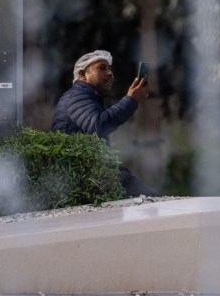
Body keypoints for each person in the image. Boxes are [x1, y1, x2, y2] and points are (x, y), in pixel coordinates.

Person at [51, 49, 158, 197]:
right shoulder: (77, 96)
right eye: (102, 68)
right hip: (84, 176)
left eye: (109, 68)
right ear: (82, 75)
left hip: (92, 173)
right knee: (154, 202)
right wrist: (131, 100)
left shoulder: (87, 95)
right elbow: (98, 125)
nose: (110, 73)